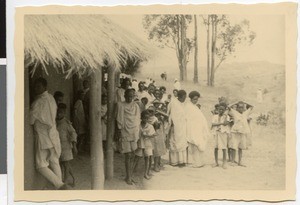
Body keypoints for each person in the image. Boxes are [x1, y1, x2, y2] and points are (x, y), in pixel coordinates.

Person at [30, 77, 66, 190]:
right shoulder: (51, 98)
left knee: (40, 165)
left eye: (39, 86)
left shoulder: (38, 102)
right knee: (54, 161)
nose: (36, 88)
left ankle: (59, 185)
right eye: (35, 86)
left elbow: (30, 120)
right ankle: (60, 187)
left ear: (45, 87)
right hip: (53, 135)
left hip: (43, 136)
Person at [116, 89, 140, 185]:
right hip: (125, 131)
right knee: (128, 155)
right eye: (128, 96)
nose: (130, 98)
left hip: (134, 132)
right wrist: (119, 130)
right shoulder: (120, 105)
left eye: (132, 96)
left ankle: (129, 175)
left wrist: (137, 133)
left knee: (133, 153)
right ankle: (128, 177)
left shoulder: (136, 106)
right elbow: (118, 119)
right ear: (125, 96)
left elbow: (137, 120)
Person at [185, 91, 210, 168]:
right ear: (191, 99)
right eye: (194, 99)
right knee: (193, 143)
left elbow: (200, 118)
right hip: (191, 127)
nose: (195, 101)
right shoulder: (188, 106)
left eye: (197, 99)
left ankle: (199, 162)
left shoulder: (195, 107)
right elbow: (187, 118)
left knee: (198, 143)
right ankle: (192, 162)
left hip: (197, 127)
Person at [56, 103, 77, 187]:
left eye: (61, 112)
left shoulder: (66, 123)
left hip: (66, 146)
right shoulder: (55, 122)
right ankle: (73, 178)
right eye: (58, 112)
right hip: (58, 146)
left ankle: (66, 180)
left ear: (64, 113)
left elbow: (73, 133)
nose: (59, 114)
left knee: (66, 164)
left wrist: (74, 145)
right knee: (63, 164)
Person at [132, 110, 157, 180]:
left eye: (147, 118)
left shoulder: (150, 126)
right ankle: (131, 173)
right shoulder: (138, 125)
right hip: (140, 143)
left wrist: (147, 135)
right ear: (141, 118)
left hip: (147, 143)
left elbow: (154, 135)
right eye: (144, 118)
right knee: (137, 157)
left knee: (148, 158)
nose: (145, 120)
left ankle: (146, 173)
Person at [228, 101, 253, 167]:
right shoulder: (234, 113)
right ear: (237, 108)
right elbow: (229, 107)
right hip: (235, 132)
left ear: (244, 108)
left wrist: (245, 102)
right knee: (234, 147)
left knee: (241, 148)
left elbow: (251, 107)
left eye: (242, 107)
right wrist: (236, 102)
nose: (241, 109)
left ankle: (240, 161)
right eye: (239, 107)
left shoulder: (245, 113)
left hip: (243, 132)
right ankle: (233, 161)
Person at [167, 90, 188, 167]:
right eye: (184, 97)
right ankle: (174, 161)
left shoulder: (183, 104)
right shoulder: (173, 103)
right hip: (174, 127)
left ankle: (181, 161)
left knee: (182, 142)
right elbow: (168, 113)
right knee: (174, 142)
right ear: (180, 97)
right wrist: (171, 122)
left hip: (182, 127)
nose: (185, 99)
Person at [211, 103, 231, 169]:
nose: (221, 111)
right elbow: (213, 124)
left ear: (225, 110)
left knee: (224, 148)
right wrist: (221, 123)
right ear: (217, 109)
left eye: (223, 109)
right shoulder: (215, 116)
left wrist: (226, 114)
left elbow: (226, 123)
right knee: (215, 147)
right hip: (216, 133)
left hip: (223, 133)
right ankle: (216, 162)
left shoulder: (226, 116)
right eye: (220, 109)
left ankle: (224, 162)